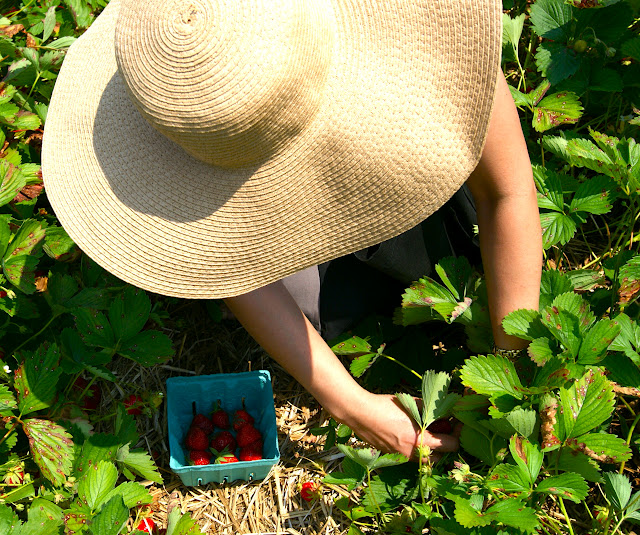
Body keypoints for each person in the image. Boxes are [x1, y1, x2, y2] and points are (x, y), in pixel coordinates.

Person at [41, 0, 542, 461]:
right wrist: (355, 407)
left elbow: (507, 195)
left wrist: (509, 371)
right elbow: (227, 263)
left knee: (452, 247)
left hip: (436, 214)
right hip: (326, 267)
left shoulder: (427, 47)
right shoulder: (185, 99)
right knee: (313, 303)